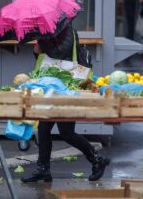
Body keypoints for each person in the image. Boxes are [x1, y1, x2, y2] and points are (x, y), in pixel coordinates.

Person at [21, 23, 110, 183]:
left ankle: (97, 159)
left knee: (67, 132)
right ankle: (43, 169)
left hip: (67, 88)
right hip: (51, 86)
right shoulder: (46, 30)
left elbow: (59, 52)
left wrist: (42, 43)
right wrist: (37, 51)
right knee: (43, 128)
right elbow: (46, 60)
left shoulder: (68, 30)